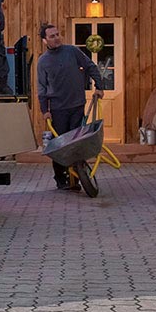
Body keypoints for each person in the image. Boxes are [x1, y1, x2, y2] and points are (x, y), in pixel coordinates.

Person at [37, 22, 103, 190]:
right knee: (60, 145)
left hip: (77, 105)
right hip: (58, 109)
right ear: (45, 41)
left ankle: (78, 176)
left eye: (58, 34)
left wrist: (100, 86)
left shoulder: (72, 51)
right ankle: (61, 179)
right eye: (52, 36)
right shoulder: (43, 62)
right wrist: (45, 110)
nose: (57, 38)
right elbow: (42, 88)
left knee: (77, 143)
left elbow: (90, 66)